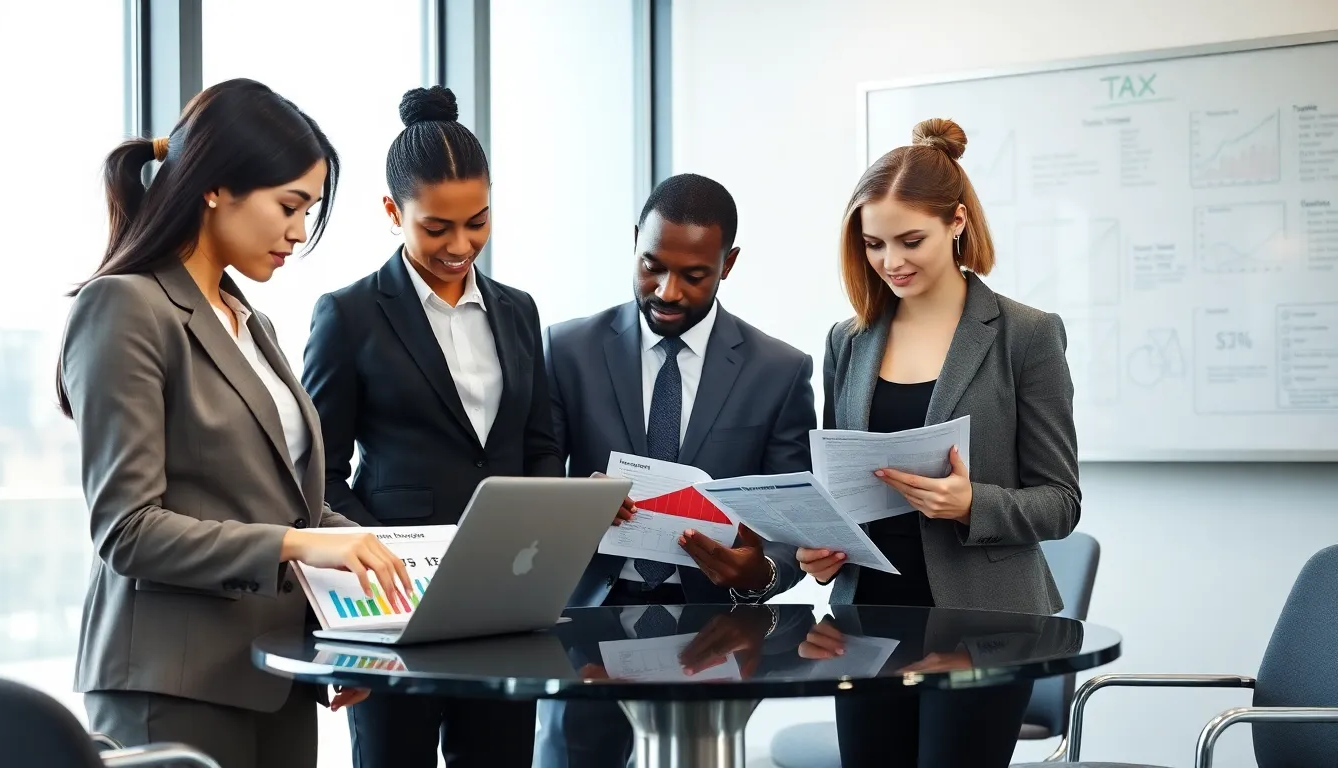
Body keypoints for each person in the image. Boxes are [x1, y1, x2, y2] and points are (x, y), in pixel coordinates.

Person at [57, 78, 411, 768]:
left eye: (308, 210)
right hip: (171, 688)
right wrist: (297, 545)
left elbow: (287, 508)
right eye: (290, 205)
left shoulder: (251, 320)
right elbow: (127, 530)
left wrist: (359, 591)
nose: (299, 232)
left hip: (274, 677)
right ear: (216, 186)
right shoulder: (125, 308)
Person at [797, 117, 1081, 767]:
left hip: (984, 627)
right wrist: (821, 548)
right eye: (873, 244)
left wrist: (967, 503)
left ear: (957, 223)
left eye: (910, 241)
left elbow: (1061, 502)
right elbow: (836, 479)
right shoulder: (849, 340)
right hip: (865, 622)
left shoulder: (1024, 335)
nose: (890, 262)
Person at [300, 85, 561, 768]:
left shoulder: (518, 311)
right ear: (392, 211)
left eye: (477, 222)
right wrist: (388, 554)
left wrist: (532, 542)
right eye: (436, 227)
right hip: (395, 607)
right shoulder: (348, 315)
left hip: (502, 603)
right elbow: (318, 476)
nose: (460, 245)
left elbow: (540, 444)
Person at [535, 173, 817, 768]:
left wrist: (758, 570)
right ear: (635, 241)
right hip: (586, 620)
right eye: (651, 265)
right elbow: (532, 488)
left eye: (694, 275)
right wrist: (572, 507)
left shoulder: (779, 371)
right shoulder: (566, 350)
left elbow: (793, 524)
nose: (667, 291)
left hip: (715, 631)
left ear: (728, 263)